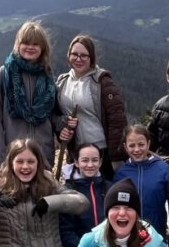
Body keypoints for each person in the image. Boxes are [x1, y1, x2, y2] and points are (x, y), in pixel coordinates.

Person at [0, 21, 58, 171]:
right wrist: (1, 166)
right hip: (13, 161)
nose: (30, 47)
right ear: (18, 44)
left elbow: (52, 115)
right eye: (25, 42)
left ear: (43, 48)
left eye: (36, 44)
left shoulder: (47, 78)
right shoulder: (0, 77)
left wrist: (63, 123)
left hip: (43, 159)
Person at [54, 34, 127, 180]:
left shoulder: (102, 81)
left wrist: (115, 158)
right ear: (68, 55)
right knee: (79, 198)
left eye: (84, 55)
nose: (78, 59)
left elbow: (117, 121)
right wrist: (61, 125)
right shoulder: (62, 82)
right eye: (74, 54)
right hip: (76, 152)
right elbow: (55, 114)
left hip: (102, 153)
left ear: (91, 57)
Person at [113, 124, 169, 238]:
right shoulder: (121, 174)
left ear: (148, 144)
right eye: (132, 145)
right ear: (125, 147)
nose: (137, 149)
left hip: (156, 233)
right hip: (129, 236)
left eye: (141, 144)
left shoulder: (163, 169)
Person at [59, 142, 111, 247]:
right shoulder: (67, 192)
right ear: (76, 162)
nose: (90, 165)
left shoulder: (110, 188)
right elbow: (65, 231)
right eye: (85, 160)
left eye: (95, 160)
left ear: (100, 162)